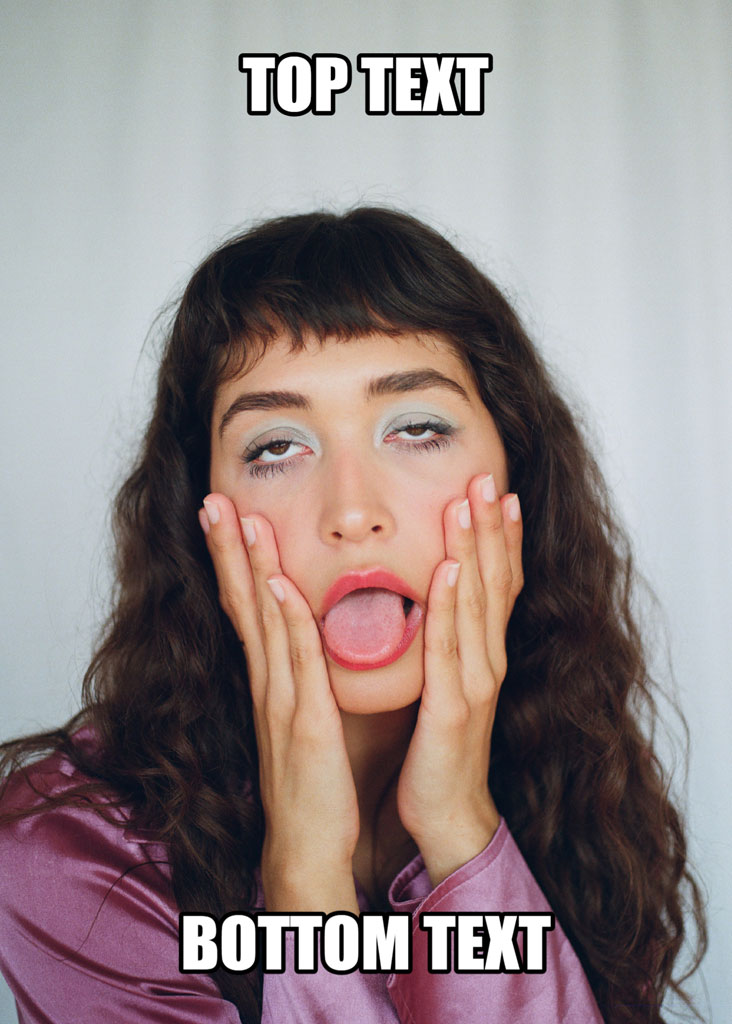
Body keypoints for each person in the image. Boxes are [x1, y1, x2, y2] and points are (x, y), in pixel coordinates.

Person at [0, 208, 705, 1023]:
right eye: (275, 446)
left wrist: (461, 833)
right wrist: (304, 879)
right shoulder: (68, 854)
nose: (352, 511)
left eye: (417, 429)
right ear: (201, 513)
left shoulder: (584, 795)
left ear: (518, 482)